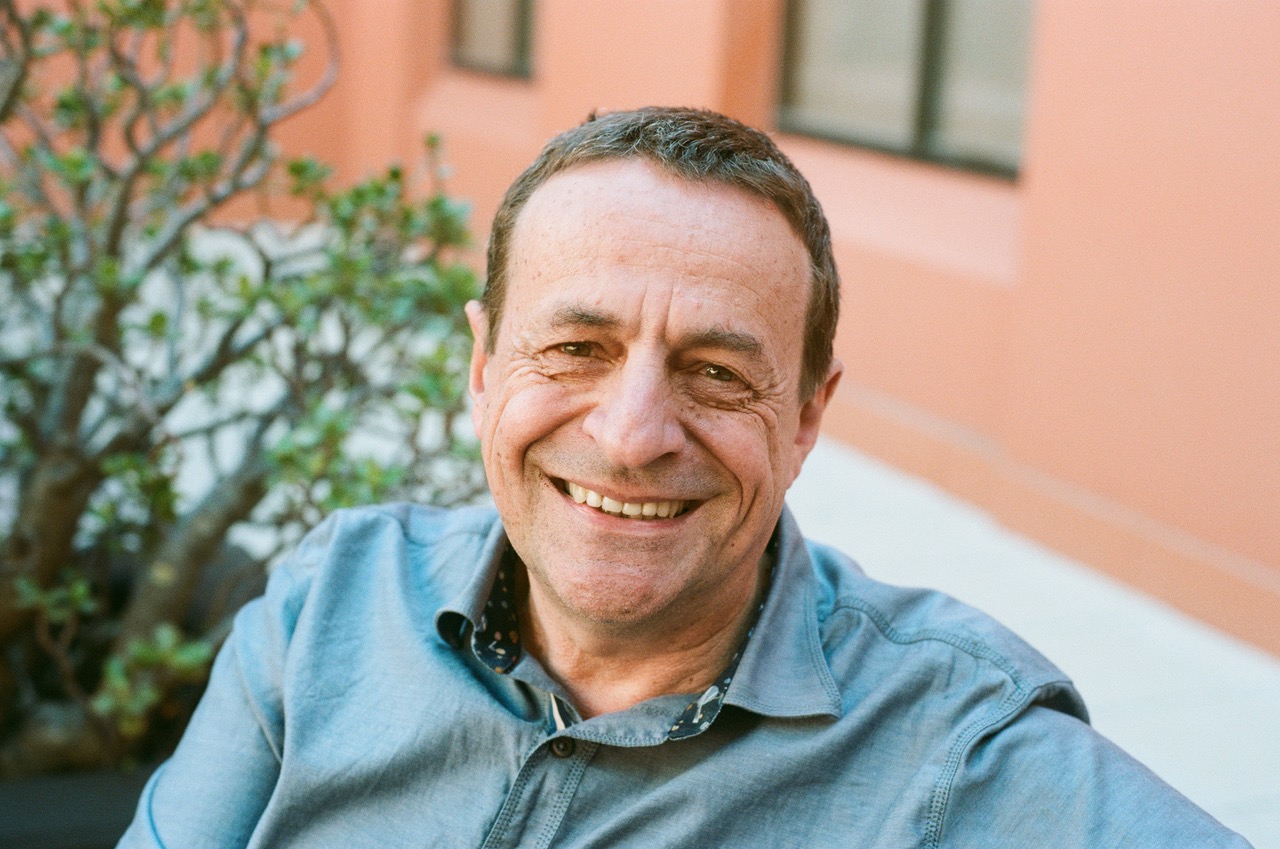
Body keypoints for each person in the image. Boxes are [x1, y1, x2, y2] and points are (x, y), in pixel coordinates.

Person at [118, 107, 1251, 848]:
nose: (629, 435)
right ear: (479, 367)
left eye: (714, 373)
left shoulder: (953, 745)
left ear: (807, 416)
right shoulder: (332, 600)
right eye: (575, 350)